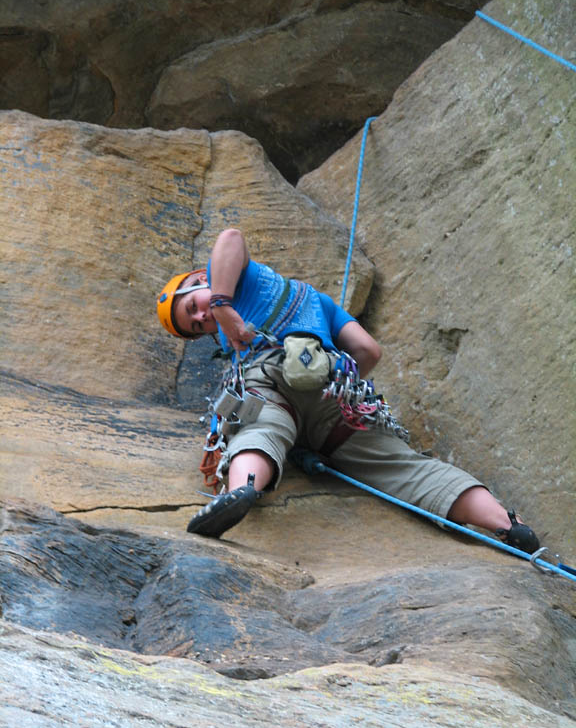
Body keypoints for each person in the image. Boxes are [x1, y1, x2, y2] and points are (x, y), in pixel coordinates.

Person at [156, 228, 539, 552]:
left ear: (197, 279)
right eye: (197, 326)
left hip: (269, 384)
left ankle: (240, 491)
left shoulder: (228, 285)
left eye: (193, 306)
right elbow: (368, 351)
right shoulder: (315, 300)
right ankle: (507, 524)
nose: (204, 318)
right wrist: (326, 374)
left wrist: (224, 305)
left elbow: (230, 237)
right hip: (332, 396)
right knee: (403, 467)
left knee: (260, 431)